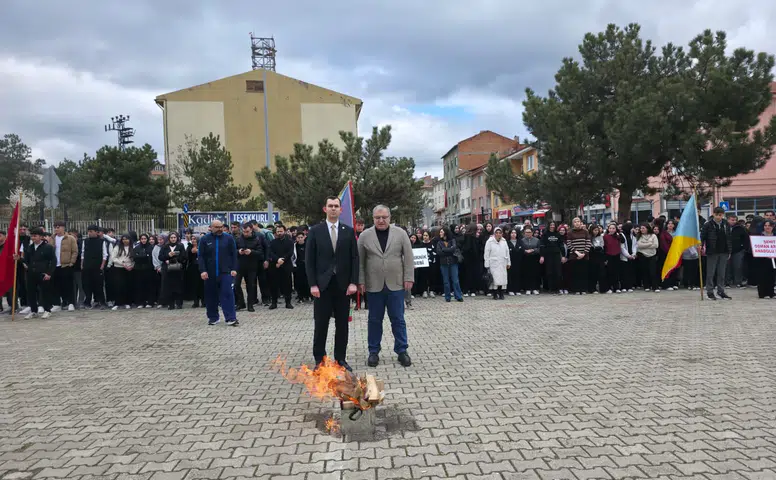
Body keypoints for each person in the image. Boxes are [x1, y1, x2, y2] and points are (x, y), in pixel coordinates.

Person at [305, 196, 359, 371]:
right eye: (330, 206)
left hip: (343, 286)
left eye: (336, 206)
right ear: (325, 209)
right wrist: (313, 284)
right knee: (321, 324)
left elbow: (354, 259)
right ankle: (319, 360)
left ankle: (340, 359)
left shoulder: (349, 231)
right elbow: (309, 260)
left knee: (342, 324)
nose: (334, 208)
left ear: (341, 210)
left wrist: (353, 283)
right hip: (322, 286)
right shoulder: (315, 231)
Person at [358, 205, 414, 368]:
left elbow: (408, 257)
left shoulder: (401, 234)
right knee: (374, 320)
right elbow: (360, 261)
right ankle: (373, 352)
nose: (381, 220)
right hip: (373, 285)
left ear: (389, 217)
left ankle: (402, 351)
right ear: (373, 219)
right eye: (377, 218)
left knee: (398, 319)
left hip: (396, 284)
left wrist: (409, 277)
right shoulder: (365, 236)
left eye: (384, 217)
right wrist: (361, 281)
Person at [198, 220, 239, 326]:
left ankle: (231, 318)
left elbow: (234, 254)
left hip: (225, 272)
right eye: (217, 227)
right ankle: (213, 318)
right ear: (211, 228)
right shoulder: (204, 239)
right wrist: (203, 270)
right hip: (209, 273)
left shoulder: (229, 238)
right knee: (210, 295)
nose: (220, 229)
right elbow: (201, 256)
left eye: (221, 226)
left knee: (227, 294)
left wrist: (234, 268)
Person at [19, 227, 56, 319]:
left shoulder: (48, 247)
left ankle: (47, 310)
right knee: (31, 292)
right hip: (31, 273)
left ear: (41, 237)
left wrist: (49, 273)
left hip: (43, 273)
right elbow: (26, 260)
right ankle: (33, 311)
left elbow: (53, 261)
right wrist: (19, 259)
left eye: (35, 236)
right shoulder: (29, 248)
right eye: (32, 236)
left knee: (44, 292)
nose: (33, 238)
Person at [701, 207, 733, 300]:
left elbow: (729, 238)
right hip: (712, 251)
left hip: (724, 251)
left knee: (722, 273)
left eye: (721, 215)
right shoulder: (708, 224)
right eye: (717, 215)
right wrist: (701, 245)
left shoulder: (726, 224)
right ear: (713, 214)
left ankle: (721, 291)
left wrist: (729, 251)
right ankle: (710, 291)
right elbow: (703, 236)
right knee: (710, 272)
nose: (719, 217)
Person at [267, 224, 295, 309]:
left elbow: (290, 253)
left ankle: (288, 302)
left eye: (281, 231)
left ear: (285, 231)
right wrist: (277, 260)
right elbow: (270, 252)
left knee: (287, 285)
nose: (279, 233)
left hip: (286, 266)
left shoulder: (290, 242)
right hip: (275, 266)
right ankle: (274, 303)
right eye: (278, 231)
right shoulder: (273, 242)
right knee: (274, 285)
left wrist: (282, 260)